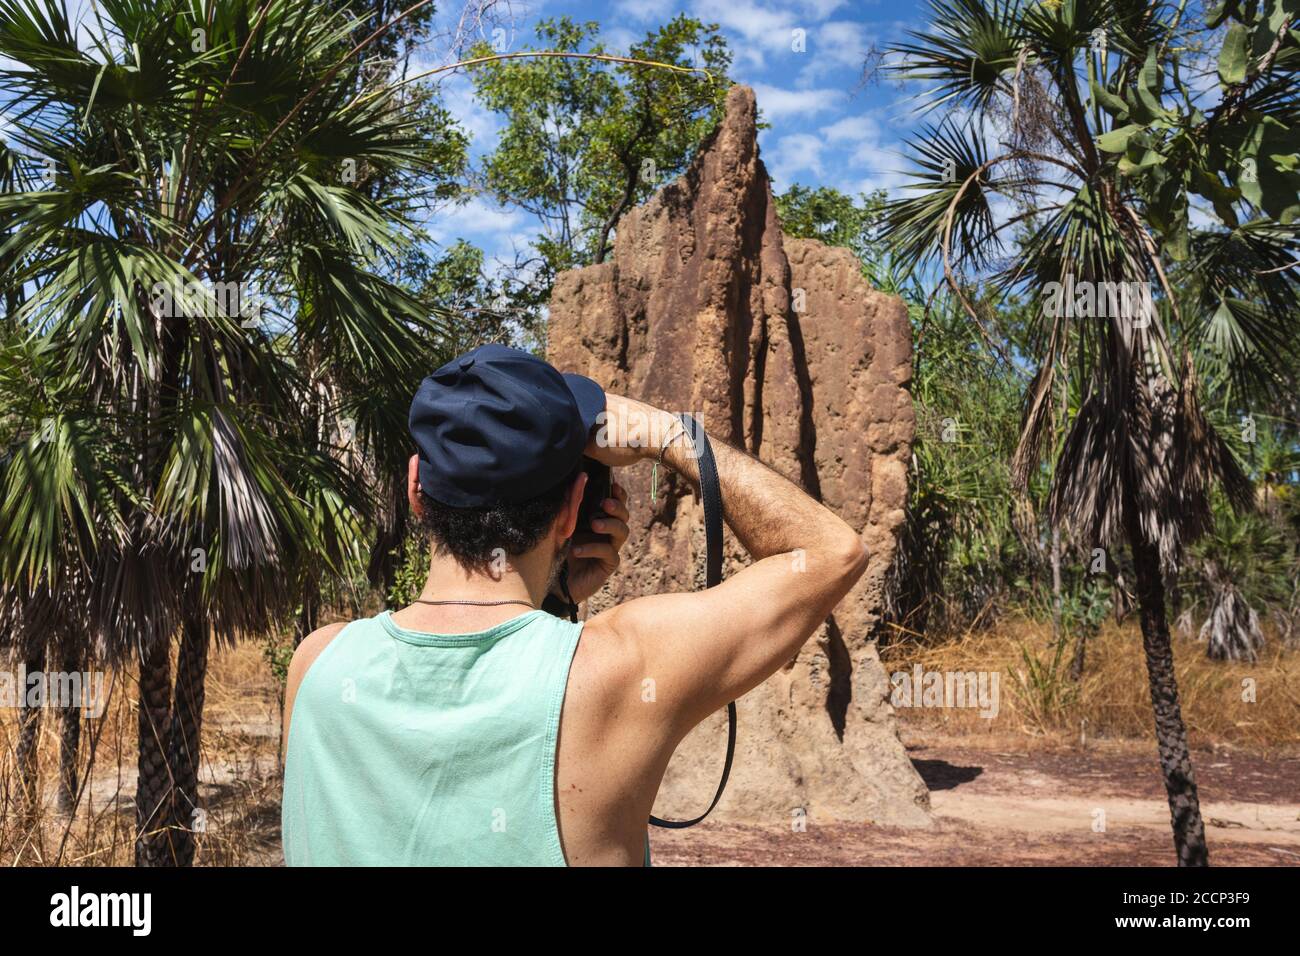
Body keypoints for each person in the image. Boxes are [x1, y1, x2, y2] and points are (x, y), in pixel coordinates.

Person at [281, 344, 868, 866]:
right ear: (572, 509)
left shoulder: (317, 666)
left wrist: (558, 604)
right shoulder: (621, 669)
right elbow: (832, 551)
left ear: (416, 490)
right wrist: (670, 434)